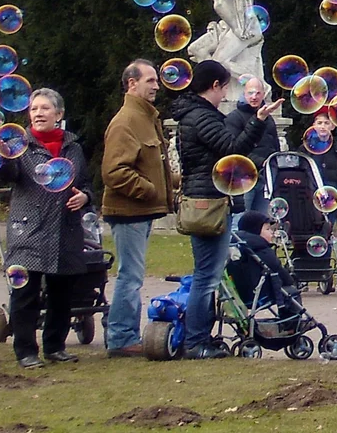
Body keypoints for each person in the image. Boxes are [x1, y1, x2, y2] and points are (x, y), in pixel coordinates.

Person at [0, 88, 92, 367]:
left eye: (45, 108)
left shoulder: (73, 147)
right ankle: (26, 351)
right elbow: (9, 176)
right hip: (29, 229)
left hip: (65, 229)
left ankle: (55, 347)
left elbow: (84, 184)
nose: (38, 113)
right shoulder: (19, 146)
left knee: (62, 293)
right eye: (34, 109)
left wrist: (85, 197)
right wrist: (4, 157)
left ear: (58, 114)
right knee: (25, 294)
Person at [171, 59, 260, 359]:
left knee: (207, 274)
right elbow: (233, 150)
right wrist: (258, 121)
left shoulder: (195, 114)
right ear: (214, 86)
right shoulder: (202, 116)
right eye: (224, 87)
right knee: (206, 276)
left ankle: (200, 337)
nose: (225, 95)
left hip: (205, 199)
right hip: (209, 202)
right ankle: (196, 342)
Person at [99, 60, 170, 358]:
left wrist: (173, 183)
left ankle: (122, 334)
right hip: (128, 212)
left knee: (132, 274)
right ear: (132, 84)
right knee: (131, 275)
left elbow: (150, 165)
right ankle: (121, 338)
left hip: (140, 211)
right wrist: (149, 190)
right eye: (150, 80)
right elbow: (113, 171)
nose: (156, 86)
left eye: (156, 81)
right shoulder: (126, 120)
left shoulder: (145, 117)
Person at [226, 76, 280, 186]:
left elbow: (275, 144)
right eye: (250, 93)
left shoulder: (268, 118)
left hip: (268, 174)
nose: (254, 97)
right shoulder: (234, 117)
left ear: (264, 94)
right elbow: (234, 149)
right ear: (244, 94)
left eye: (258, 93)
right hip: (244, 175)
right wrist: (262, 162)